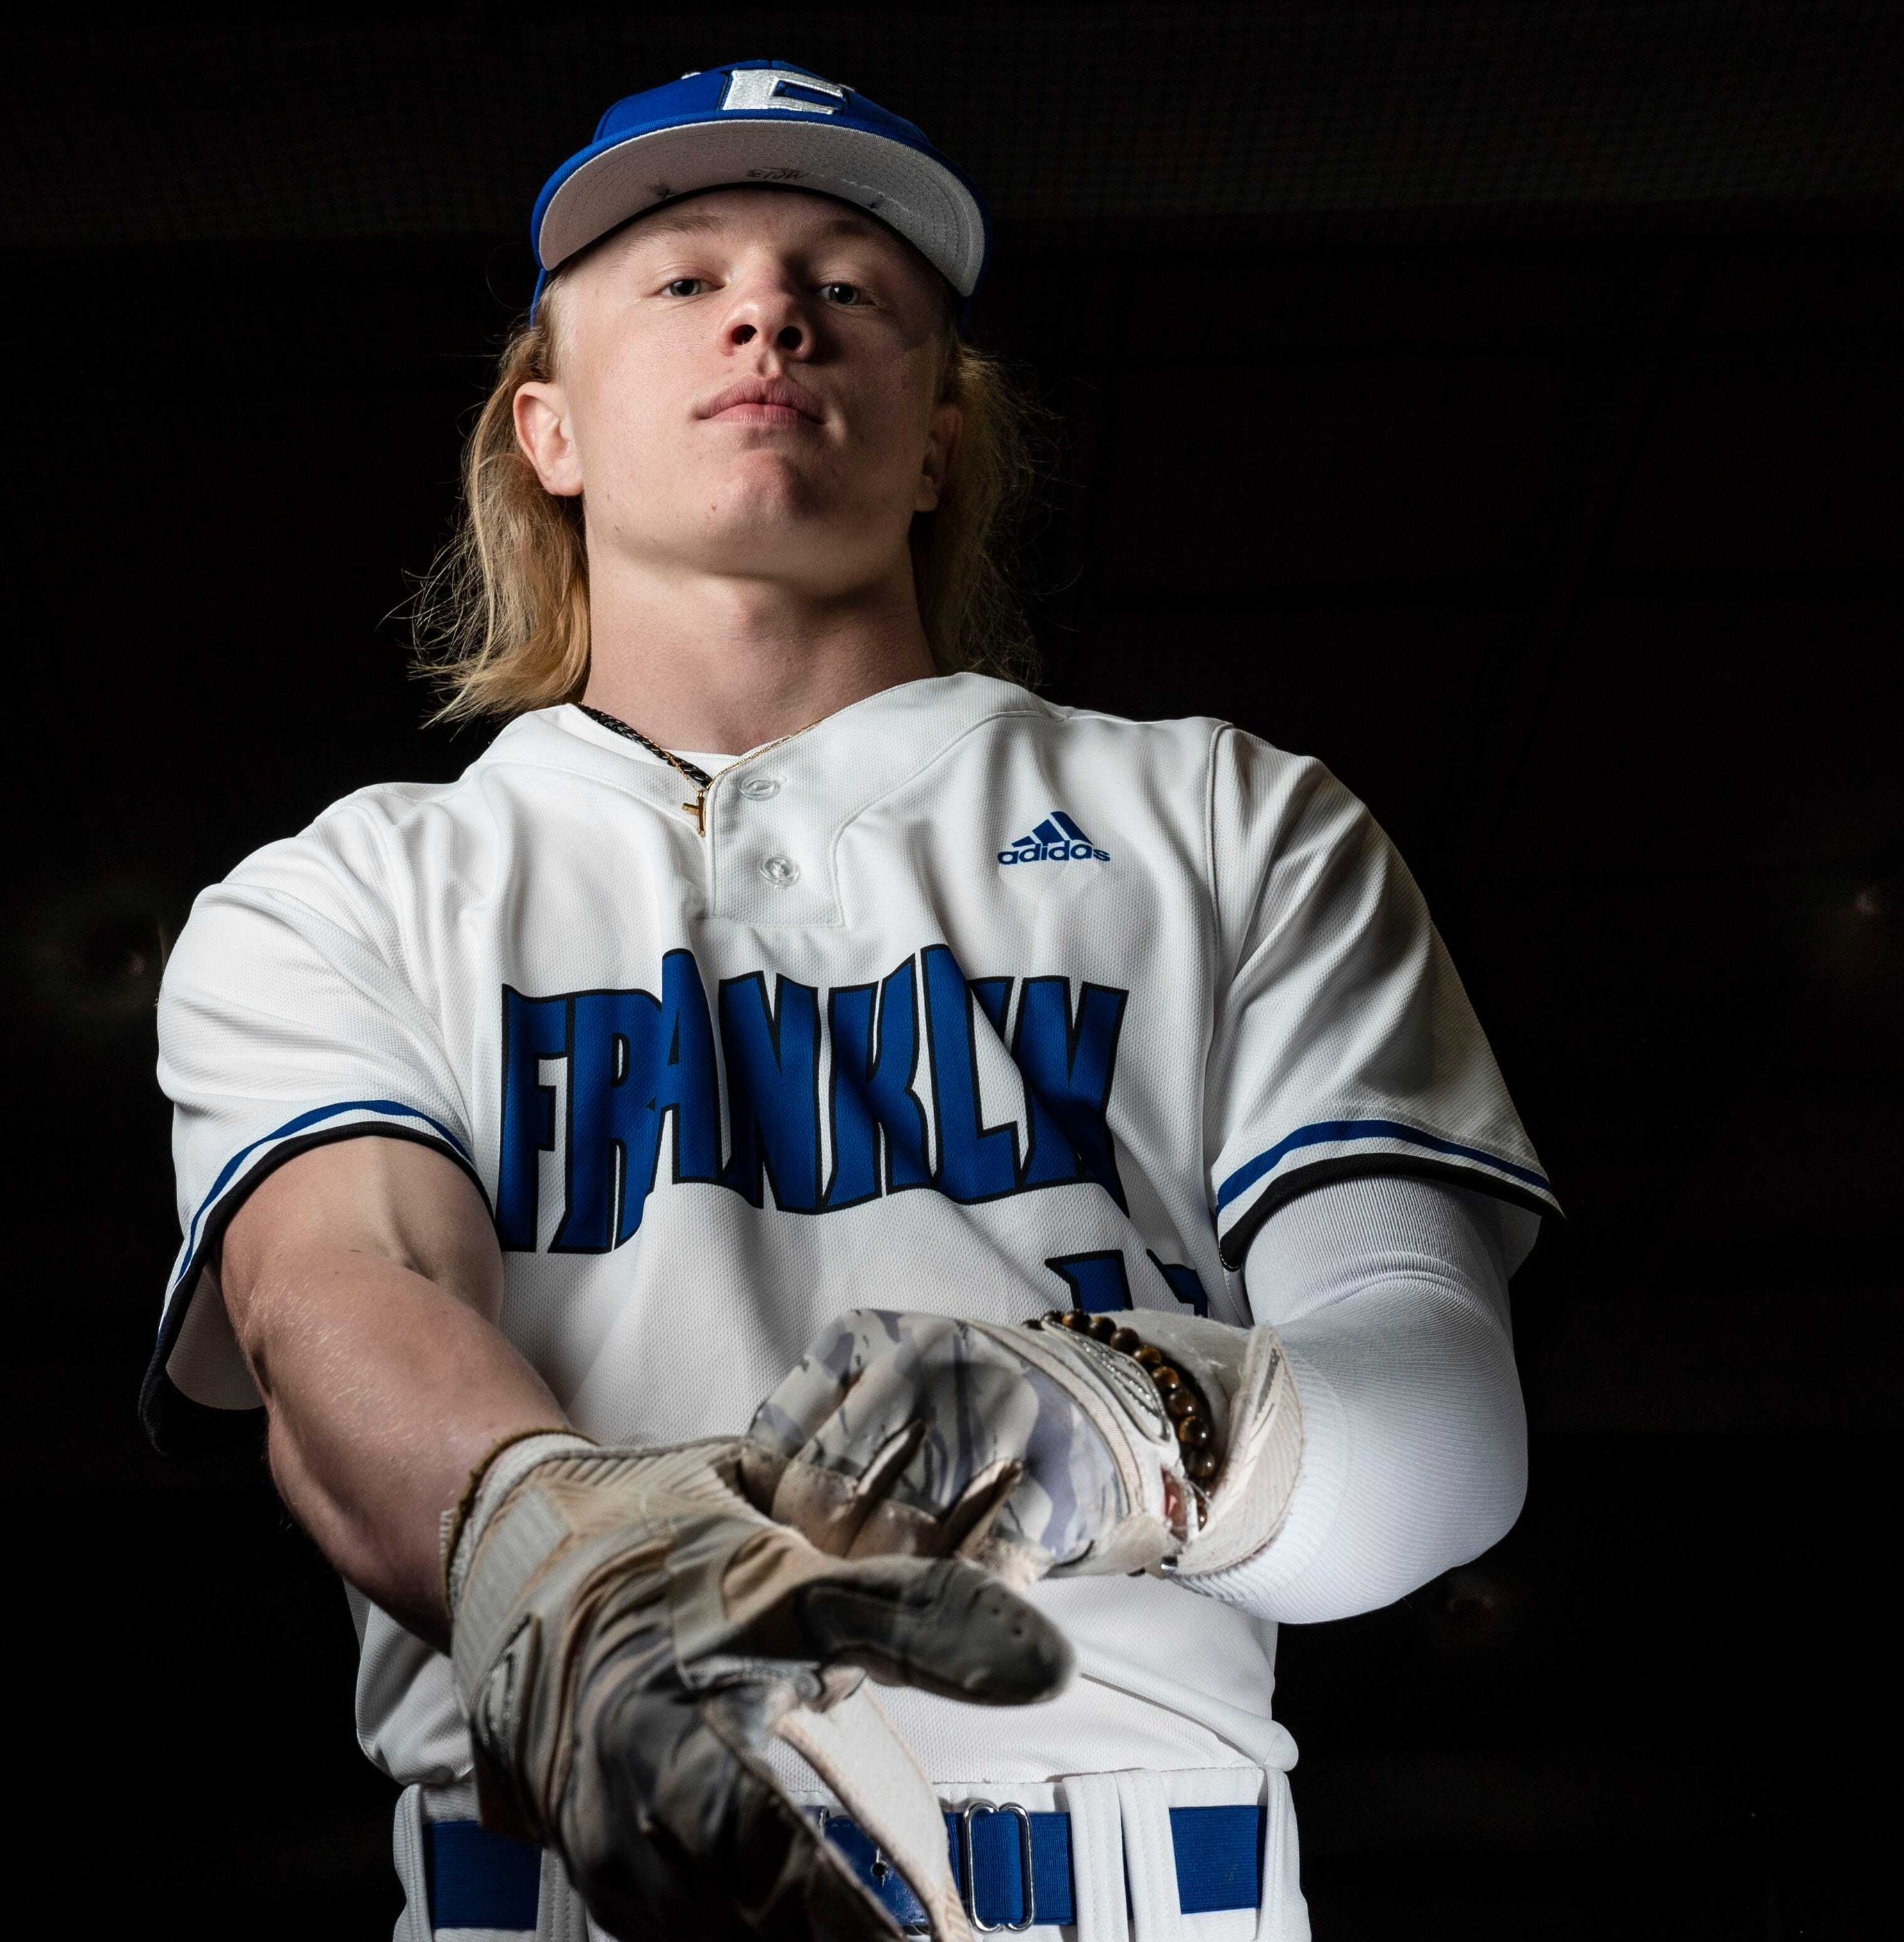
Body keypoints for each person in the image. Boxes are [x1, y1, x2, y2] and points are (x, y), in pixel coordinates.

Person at [142, 58, 1554, 1942]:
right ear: (545, 426)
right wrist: (551, 1558)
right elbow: (333, 1309)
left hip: (1140, 1890)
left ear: (944, 431)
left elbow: (1441, 1408)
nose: (771, 306)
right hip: (564, 1897)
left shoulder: (1228, 818)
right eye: (682, 275)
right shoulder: (344, 893)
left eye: (849, 282)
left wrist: (1150, 1422)